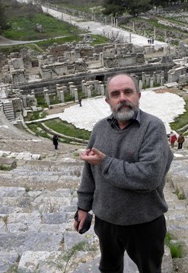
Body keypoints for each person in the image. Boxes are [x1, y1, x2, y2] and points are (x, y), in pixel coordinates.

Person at [74, 73, 173, 273]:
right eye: (115, 94)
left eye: (128, 92)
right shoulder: (100, 128)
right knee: (109, 268)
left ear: (138, 94)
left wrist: (105, 162)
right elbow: (90, 171)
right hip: (106, 220)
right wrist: (83, 207)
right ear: (107, 101)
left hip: (144, 222)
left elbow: (149, 176)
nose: (122, 98)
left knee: (150, 269)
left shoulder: (153, 127)